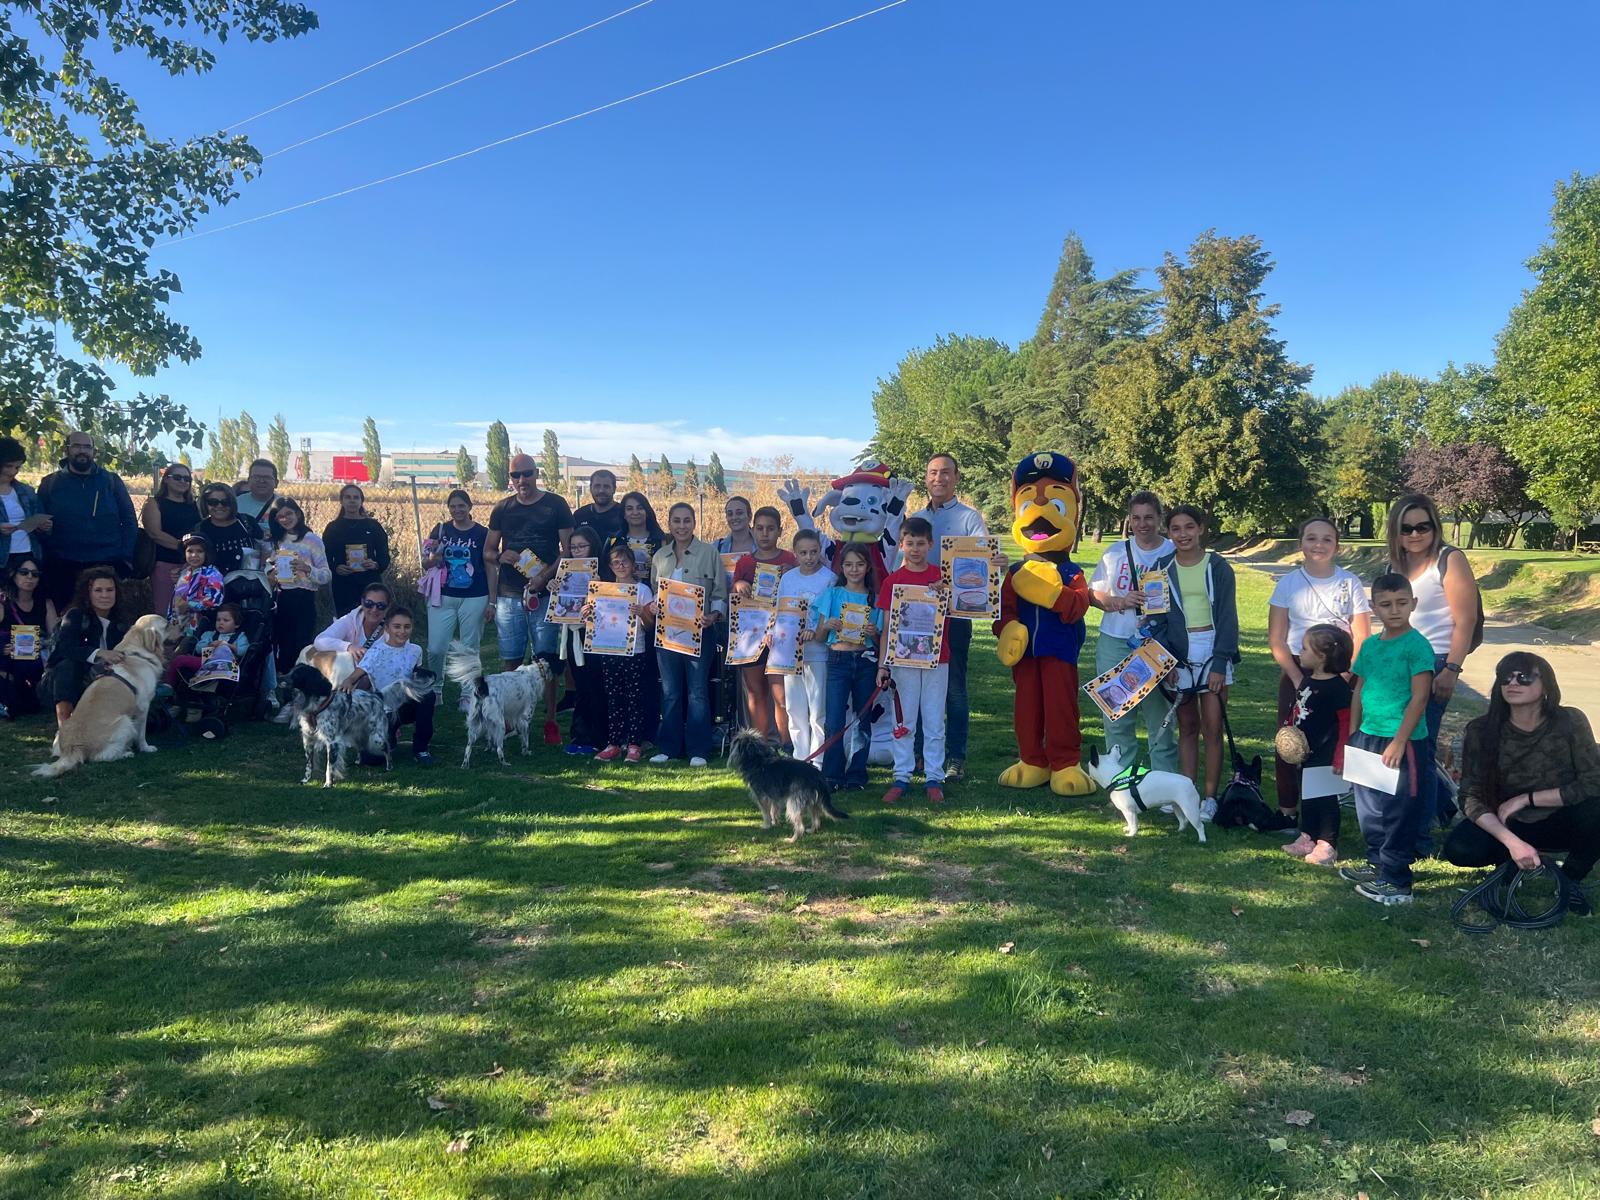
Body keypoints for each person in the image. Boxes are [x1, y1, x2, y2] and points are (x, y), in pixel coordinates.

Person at [1442, 653, 1599, 905]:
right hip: (1507, 822)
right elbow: (1471, 795)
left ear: (1546, 684)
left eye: (1524, 677)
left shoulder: (1569, 721)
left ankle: (1570, 880)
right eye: (1506, 677)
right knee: (1460, 849)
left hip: (1562, 818)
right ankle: (1511, 860)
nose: (1513, 683)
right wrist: (1512, 842)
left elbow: (1593, 781)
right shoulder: (1481, 730)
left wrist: (1526, 799)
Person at [1339, 573, 1437, 906]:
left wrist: (1399, 741)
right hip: (1368, 736)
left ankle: (1397, 881)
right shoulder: (1368, 645)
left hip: (1403, 742)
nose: (1394, 610)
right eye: (1386, 604)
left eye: (1401, 603)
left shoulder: (1418, 646)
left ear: (1413, 603)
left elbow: (1420, 698)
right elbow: (1359, 689)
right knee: (1369, 807)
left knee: (1397, 810)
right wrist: (1354, 733)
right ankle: (1377, 863)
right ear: (1373, 607)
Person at [1387, 492, 1479, 838]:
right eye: (1406, 528)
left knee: (1417, 750)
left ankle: (1417, 836)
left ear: (1434, 526)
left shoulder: (1449, 559)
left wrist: (1451, 669)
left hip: (1436, 662)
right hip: (1398, 664)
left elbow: (1465, 620)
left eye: (1422, 526)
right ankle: (1439, 806)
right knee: (1407, 745)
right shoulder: (1393, 567)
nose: (1414, 534)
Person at [1268, 517, 1372, 817]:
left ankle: (1324, 812)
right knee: (1290, 738)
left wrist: (1345, 674)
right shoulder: (1288, 583)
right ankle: (1288, 809)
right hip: (1299, 669)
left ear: (1337, 545)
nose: (1319, 545)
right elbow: (1277, 638)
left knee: (1333, 738)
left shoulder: (1349, 582)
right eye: (1311, 538)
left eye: (1327, 539)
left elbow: (1362, 634)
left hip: (1340, 672)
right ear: (1301, 544)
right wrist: (1299, 678)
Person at [1147, 506, 1238, 822]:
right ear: (1168, 532)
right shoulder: (1158, 569)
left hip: (1212, 648)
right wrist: (1166, 661)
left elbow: (1228, 617)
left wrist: (1220, 661)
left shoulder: (1218, 567)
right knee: (1186, 726)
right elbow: (1155, 621)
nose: (1183, 534)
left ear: (1200, 529)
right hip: (1177, 652)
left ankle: (1209, 798)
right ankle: (1186, 793)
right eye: (1175, 529)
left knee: (1212, 728)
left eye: (1189, 527)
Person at [908, 453, 993, 780]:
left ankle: (956, 757)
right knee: (916, 685)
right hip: (918, 613)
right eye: (932, 473)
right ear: (926, 478)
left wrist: (993, 564)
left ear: (956, 477)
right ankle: (918, 754)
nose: (938, 478)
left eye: (945, 473)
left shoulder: (970, 519)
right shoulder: (915, 516)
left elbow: (983, 564)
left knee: (954, 689)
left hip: (956, 616)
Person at [1088, 490, 1177, 774]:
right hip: (1116, 640)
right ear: (1130, 520)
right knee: (1116, 714)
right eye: (1136, 518)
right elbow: (1093, 594)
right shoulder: (1115, 552)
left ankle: (1163, 782)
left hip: (1157, 645)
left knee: (1159, 716)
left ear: (1159, 518)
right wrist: (1119, 602)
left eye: (1149, 517)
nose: (1143, 524)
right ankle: (1121, 779)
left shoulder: (1173, 552)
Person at [484, 455, 571, 740]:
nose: (522, 480)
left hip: (545, 595)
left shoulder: (555, 504)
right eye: (515, 475)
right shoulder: (502, 508)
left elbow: (568, 551)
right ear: (510, 478)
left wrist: (544, 577)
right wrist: (500, 555)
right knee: (511, 660)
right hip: (510, 595)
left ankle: (549, 720)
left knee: (545, 662)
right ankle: (511, 720)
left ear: (537, 474)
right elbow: (487, 552)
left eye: (527, 474)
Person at [876, 516, 950, 805]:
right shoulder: (892, 582)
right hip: (902, 659)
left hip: (936, 658)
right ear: (903, 545)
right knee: (903, 719)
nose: (916, 549)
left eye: (921, 543)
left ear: (930, 544)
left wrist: (947, 595)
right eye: (910, 544)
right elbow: (885, 627)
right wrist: (883, 665)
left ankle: (934, 776)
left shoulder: (941, 579)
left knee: (933, 719)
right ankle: (901, 776)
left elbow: (959, 611)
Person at [648, 502, 726, 766]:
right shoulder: (660, 557)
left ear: (694, 523)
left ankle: (698, 749)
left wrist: (714, 616)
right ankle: (669, 747)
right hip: (667, 635)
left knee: (697, 692)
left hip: (699, 633)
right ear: (669, 524)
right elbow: (654, 592)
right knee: (669, 691)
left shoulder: (709, 553)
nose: (681, 526)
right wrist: (653, 606)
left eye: (686, 521)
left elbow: (719, 593)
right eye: (676, 521)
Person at [809, 543, 883, 791]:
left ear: (867, 567)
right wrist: (827, 626)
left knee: (862, 719)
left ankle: (857, 775)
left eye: (860, 564)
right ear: (841, 567)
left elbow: (880, 639)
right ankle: (832, 775)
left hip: (865, 662)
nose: (854, 569)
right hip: (838, 660)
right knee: (834, 720)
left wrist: (874, 633)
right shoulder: (832, 595)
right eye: (849, 564)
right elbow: (819, 637)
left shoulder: (875, 599)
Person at [1280, 624, 1354, 867]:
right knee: (1308, 794)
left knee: (1325, 798)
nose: (1299, 652)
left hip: (1327, 752)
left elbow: (1345, 722)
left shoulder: (1338, 688)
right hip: (1306, 751)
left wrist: (1342, 754)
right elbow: (1298, 708)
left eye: (1304, 648)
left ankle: (1327, 843)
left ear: (1321, 657)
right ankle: (1308, 836)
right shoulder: (1309, 681)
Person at [37, 431, 137, 611]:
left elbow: (129, 520)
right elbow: (39, 523)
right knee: (66, 621)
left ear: (94, 452)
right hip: (63, 564)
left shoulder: (111, 481)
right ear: (66, 450)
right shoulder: (50, 483)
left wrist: (126, 558)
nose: (82, 451)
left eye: (87, 447)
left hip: (106, 562)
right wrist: (44, 532)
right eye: (77, 446)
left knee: (104, 620)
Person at [336, 605, 437, 768]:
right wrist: (346, 685)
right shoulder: (376, 652)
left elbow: (413, 674)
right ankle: (381, 739)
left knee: (427, 695)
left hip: (406, 705)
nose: (402, 632)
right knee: (372, 760)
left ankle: (421, 748)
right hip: (383, 711)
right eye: (397, 627)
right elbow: (355, 676)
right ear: (387, 628)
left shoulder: (415, 650)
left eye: (407, 627)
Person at [732, 506, 798, 746]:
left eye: (770, 528)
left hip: (782, 636)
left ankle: (786, 745)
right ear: (753, 530)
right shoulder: (745, 562)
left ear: (780, 531)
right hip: (751, 636)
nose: (765, 533)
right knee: (755, 691)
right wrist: (738, 583)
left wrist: (793, 575)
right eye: (759, 528)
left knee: (780, 694)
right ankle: (762, 747)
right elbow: (735, 600)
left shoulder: (790, 559)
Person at [591, 541, 657, 763]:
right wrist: (587, 612)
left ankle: (634, 744)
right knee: (613, 698)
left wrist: (642, 614)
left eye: (624, 562)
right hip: (610, 649)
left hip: (634, 650)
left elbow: (650, 627)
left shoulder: (642, 590)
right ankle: (613, 743)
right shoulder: (604, 590)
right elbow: (595, 620)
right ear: (610, 566)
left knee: (634, 698)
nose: (620, 566)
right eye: (616, 563)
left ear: (633, 564)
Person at [421, 489, 491, 696]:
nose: (457, 510)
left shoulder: (482, 533)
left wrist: (492, 600)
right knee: (436, 648)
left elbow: (489, 566)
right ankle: (435, 690)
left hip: (475, 595)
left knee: (470, 647)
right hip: (442, 594)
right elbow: (426, 562)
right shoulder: (441, 530)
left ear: (470, 507)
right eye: (453, 506)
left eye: (461, 505)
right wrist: (433, 558)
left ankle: (468, 693)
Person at [41, 566, 130, 725]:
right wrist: (100, 653)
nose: (105, 595)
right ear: (88, 593)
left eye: (110, 590)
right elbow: (65, 649)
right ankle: (65, 726)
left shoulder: (121, 621)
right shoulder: (75, 615)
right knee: (68, 665)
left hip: (104, 683)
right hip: (61, 683)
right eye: (98, 590)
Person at [775, 528, 832, 759]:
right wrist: (775, 634)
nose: (809, 557)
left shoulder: (829, 578)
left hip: (818, 651)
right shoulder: (788, 579)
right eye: (803, 553)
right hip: (790, 652)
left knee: (817, 710)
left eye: (813, 552)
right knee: (794, 708)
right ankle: (800, 757)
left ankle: (817, 759)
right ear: (795, 554)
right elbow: (780, 612)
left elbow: (830, 615)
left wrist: (816, 631)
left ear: (820, 551)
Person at [557, 525, 608, 756]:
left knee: (595, 685)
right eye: (573, 547)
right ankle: (579, 733)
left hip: (596, 634)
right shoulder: (565, 571)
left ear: (592, 546)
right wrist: (554, 588)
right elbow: (559, 606)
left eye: (582, 546)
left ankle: (598, 736)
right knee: (580, 686)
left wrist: (600, 587)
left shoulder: (604, 571)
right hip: (573, 633)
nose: (577, 551)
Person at [266, 496, 331, 672]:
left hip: (304, 598)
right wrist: (270, 573)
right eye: (280, 516)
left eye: (289, 514)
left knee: (302, 645)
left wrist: (308, 569)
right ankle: (282, 682)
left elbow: (326, 575)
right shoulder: (277, 541)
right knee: (282, 643)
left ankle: (300, 681)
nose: (285, 519)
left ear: (298, 514)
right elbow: (268, 564)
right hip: (282, 598)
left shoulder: (312, 540)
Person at [140, 462, 200, 619]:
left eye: (187, 479)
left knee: (192, 614)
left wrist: (191, 558)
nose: (183, 482)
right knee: (165, 612)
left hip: (192, 566)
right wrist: (183, 548)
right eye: (177, 477)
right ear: (166, 479)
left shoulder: (195, 505)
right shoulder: (154, 503)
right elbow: (155, 533)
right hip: (165, 564)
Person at [1, 556, 58, 719]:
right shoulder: (3, 602)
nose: (29, 577)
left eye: (35, 574)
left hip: (37, 660)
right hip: (8, 661)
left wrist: (42, 644)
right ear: (14, 574)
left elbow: (56, 636)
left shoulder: (45, 603)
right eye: (24, 572)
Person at [322, 484, 392, 615]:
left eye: (356, 497)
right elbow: (324, 557)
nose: (352, 500)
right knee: (347, 624)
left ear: (361, 501)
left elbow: (384, 556)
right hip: (343, 585)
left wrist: (376, 564)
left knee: (371, 622)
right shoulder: (333, 528)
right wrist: (335, 568)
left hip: (370, 584)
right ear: (342, 501)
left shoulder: (373, 526)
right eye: (348, 497)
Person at [163, 602, 250, 687]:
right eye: (218, 620)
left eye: (225, 620)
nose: (221, 623)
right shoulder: (210, 634)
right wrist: (210, 645)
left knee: (223, 649)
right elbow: (198, 648)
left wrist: (228, 645)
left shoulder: (240, 637)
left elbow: (243, 651)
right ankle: (168, 685)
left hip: (227, 666)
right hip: (205, 661)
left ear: (237, 624)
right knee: (179, 659)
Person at [1, 436, 50, 576]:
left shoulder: (26, 491)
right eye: (8, 466)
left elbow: (38, 518)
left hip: (28, 554)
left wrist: (43, 526)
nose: (13, 472)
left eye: (17, 467)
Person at [313, 582, 394, 661]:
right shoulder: (350, 620)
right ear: (362, 602)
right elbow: (320, 640)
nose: (374, 609)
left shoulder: (395, 626)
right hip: (348, 671)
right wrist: (349, 647)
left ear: (388, 607)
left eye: (381, 606)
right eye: (369, 603)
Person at [168, 533, 224, 635]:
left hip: (202, 628)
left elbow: (215, 599)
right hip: (178, 627)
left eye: (199, 551)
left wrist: (190, 605)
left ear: (206, 553)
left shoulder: (212, 573)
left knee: (199, 650)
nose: (194, 555)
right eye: (190, 551)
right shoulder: (184, 573)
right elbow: (175, 601)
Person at [196, 484, 258, 575]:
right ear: (205, 504)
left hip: (248, 583)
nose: (219, 506)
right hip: (213, 585)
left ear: (232, 503)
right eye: (213, 502)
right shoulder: (200, 529)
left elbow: (265, 548)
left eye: (225, 502)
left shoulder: (247, 522)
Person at [606, 491, 665, 581]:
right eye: (629, 509)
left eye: (640, 508)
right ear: (624, 514)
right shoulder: (615, 541)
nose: (635, 512)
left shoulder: (661, 541)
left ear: (647, 512)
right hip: (622, 593)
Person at [572, 469, 627, 544]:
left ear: (614, 489)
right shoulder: (580, 515)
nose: (601, 490)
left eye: (606, 486)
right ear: (591, 488)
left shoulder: (624, 514)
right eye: (597, 486)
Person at [233, 459, 280, 536]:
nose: (261, 481)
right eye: (256, 477)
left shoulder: (286, 505)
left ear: (276, 483)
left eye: (267, 477)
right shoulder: (234, 504)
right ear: (248, 480)